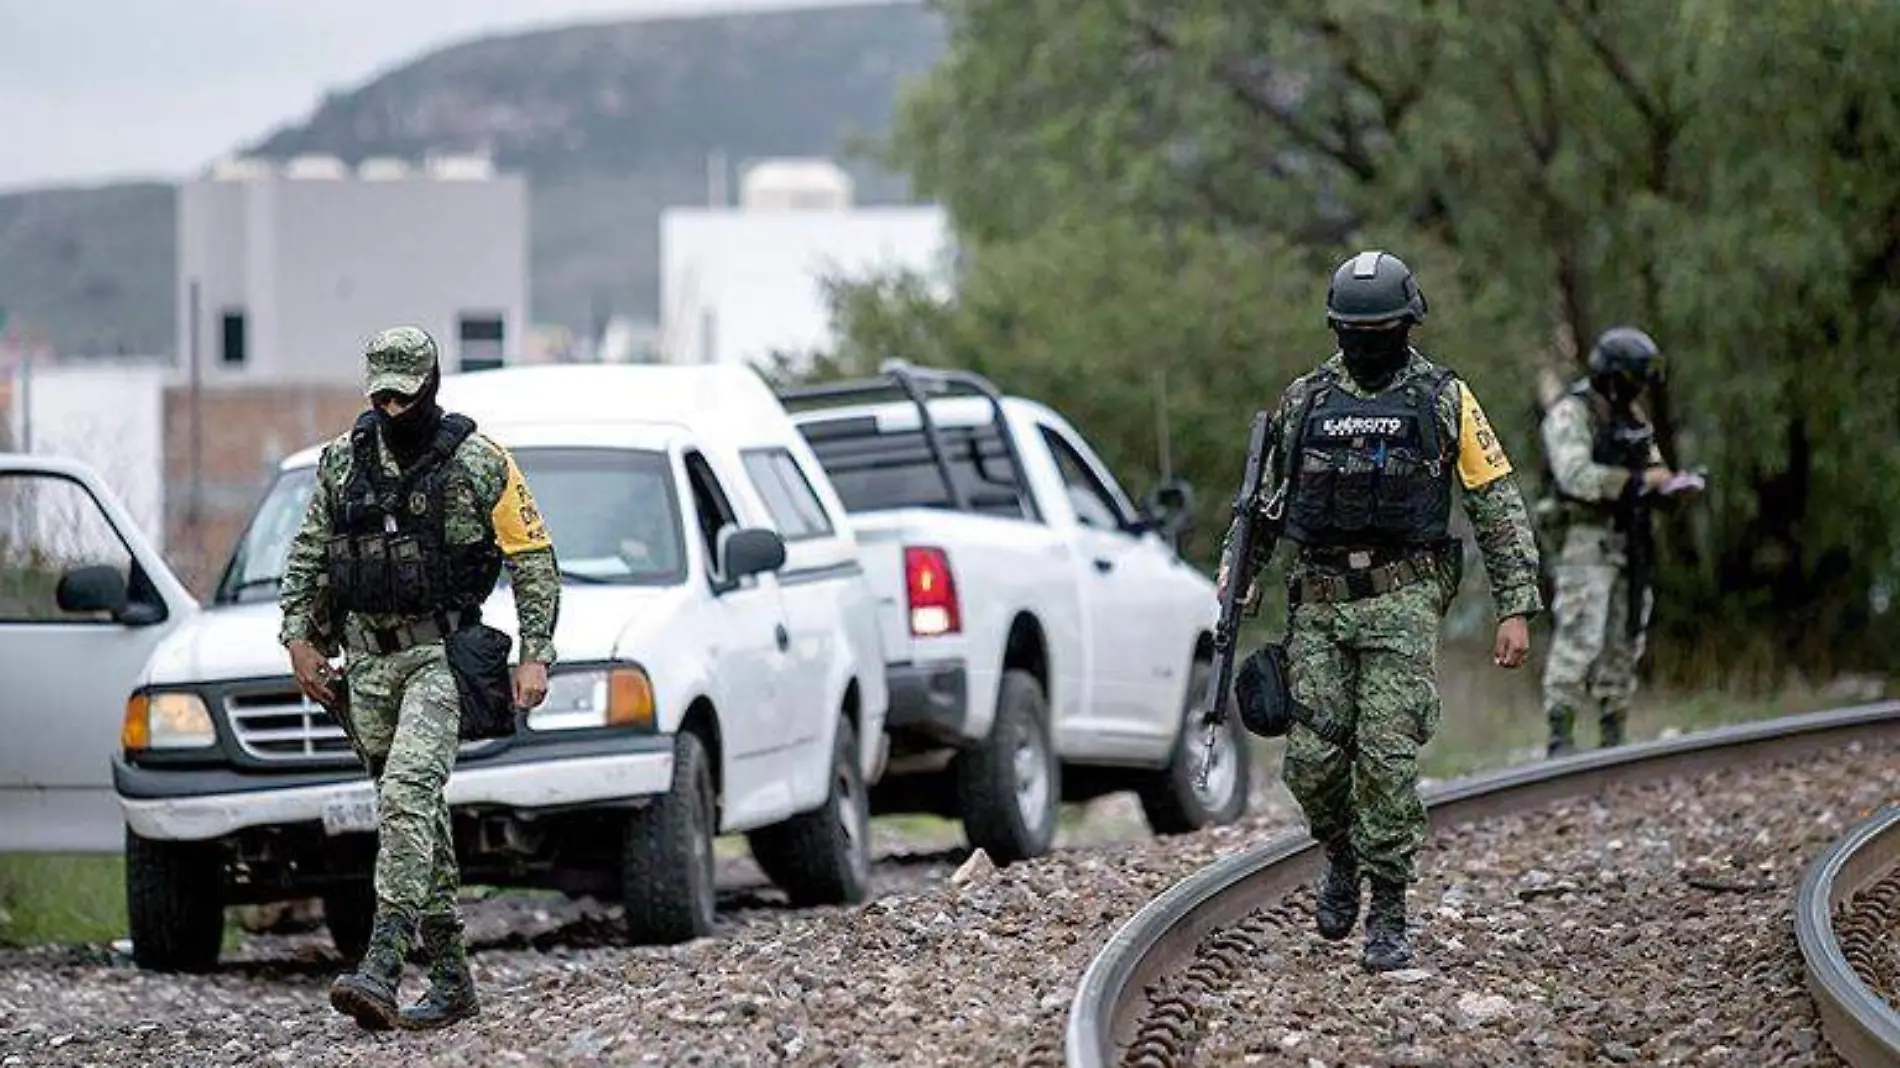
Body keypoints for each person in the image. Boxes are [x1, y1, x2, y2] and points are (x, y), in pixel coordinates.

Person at [1218, 249, 1543, 971]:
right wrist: (1237, 580)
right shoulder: (1305, 401)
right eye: (1354, 330)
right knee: (1311, 762)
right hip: (1321, 603)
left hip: (1404, 597)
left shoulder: (1443, 397)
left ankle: (1389, 910)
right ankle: (1340, 853)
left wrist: (1515, 605)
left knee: (1388, 761)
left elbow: (1496, 505)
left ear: (1406, 326)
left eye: (1380, 329)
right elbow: (1264, 506)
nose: (1367, 342)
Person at [277, 326, 561, 1031]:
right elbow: (310, 551)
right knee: (417, 820)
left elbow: (533, 557)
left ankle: (381, 961)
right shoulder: (342, 464)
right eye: (382, 393)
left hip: (440, 657)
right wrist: (297, 638)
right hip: (366, 663)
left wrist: (537, 652)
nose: (394, 406)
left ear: (431, 385)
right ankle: (454, 979)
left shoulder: (480, 462)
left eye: (407, 393)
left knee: (406, 797)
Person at [1537, 325, 1693, 756]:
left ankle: (1613, 734)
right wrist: (1636, 482)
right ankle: (1561, 735)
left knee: (1628, 636)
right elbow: (1575, 476)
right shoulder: (1572, 413)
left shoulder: (1633, 417)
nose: (1639, 387)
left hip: (1633, 537)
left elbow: (1653, 466)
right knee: (1580, 637)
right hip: (1585, 540)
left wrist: (1669, 487)